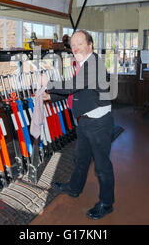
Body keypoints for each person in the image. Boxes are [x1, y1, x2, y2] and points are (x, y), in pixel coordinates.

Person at [40, 30, 114, 220]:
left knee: (102, 166)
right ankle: (74, 188)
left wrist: (47, 82)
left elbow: (74, 85)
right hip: (84, 122)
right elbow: (76, 92)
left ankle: (107, 203)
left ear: (90, 45)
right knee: (80, 159)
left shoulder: (94, 64)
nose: (75, 48)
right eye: (73, 45)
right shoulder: (82, 63)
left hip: (99, 123)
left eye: (80, 43)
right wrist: (50, 96)